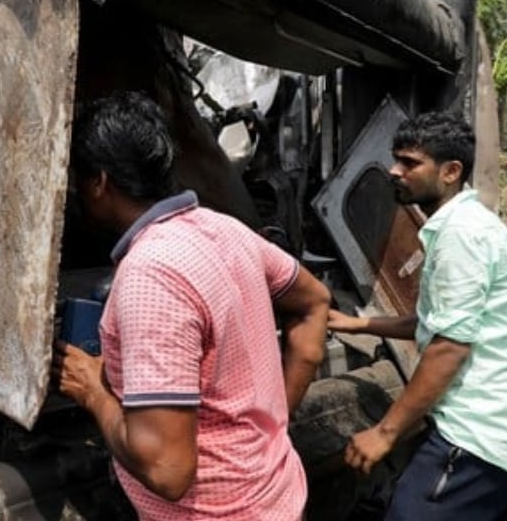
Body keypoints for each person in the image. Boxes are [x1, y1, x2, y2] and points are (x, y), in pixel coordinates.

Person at [54, 91, 330, 520]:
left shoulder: (150, 274)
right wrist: (273, 424)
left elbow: (168, 471)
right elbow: (316, 301)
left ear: (99, 182)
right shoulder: (226, 229)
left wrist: (93, 392)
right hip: (276, 494)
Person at [326, 111, 507, 521]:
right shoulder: (466, 224)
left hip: (471, 440)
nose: (394, 171)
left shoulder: (459, 235)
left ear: (450, 171)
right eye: (395, 160)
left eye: (410, 163)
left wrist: (385, 432)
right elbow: (436, 321)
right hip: (500, 435)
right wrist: (358, 323)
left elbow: (448, 346)